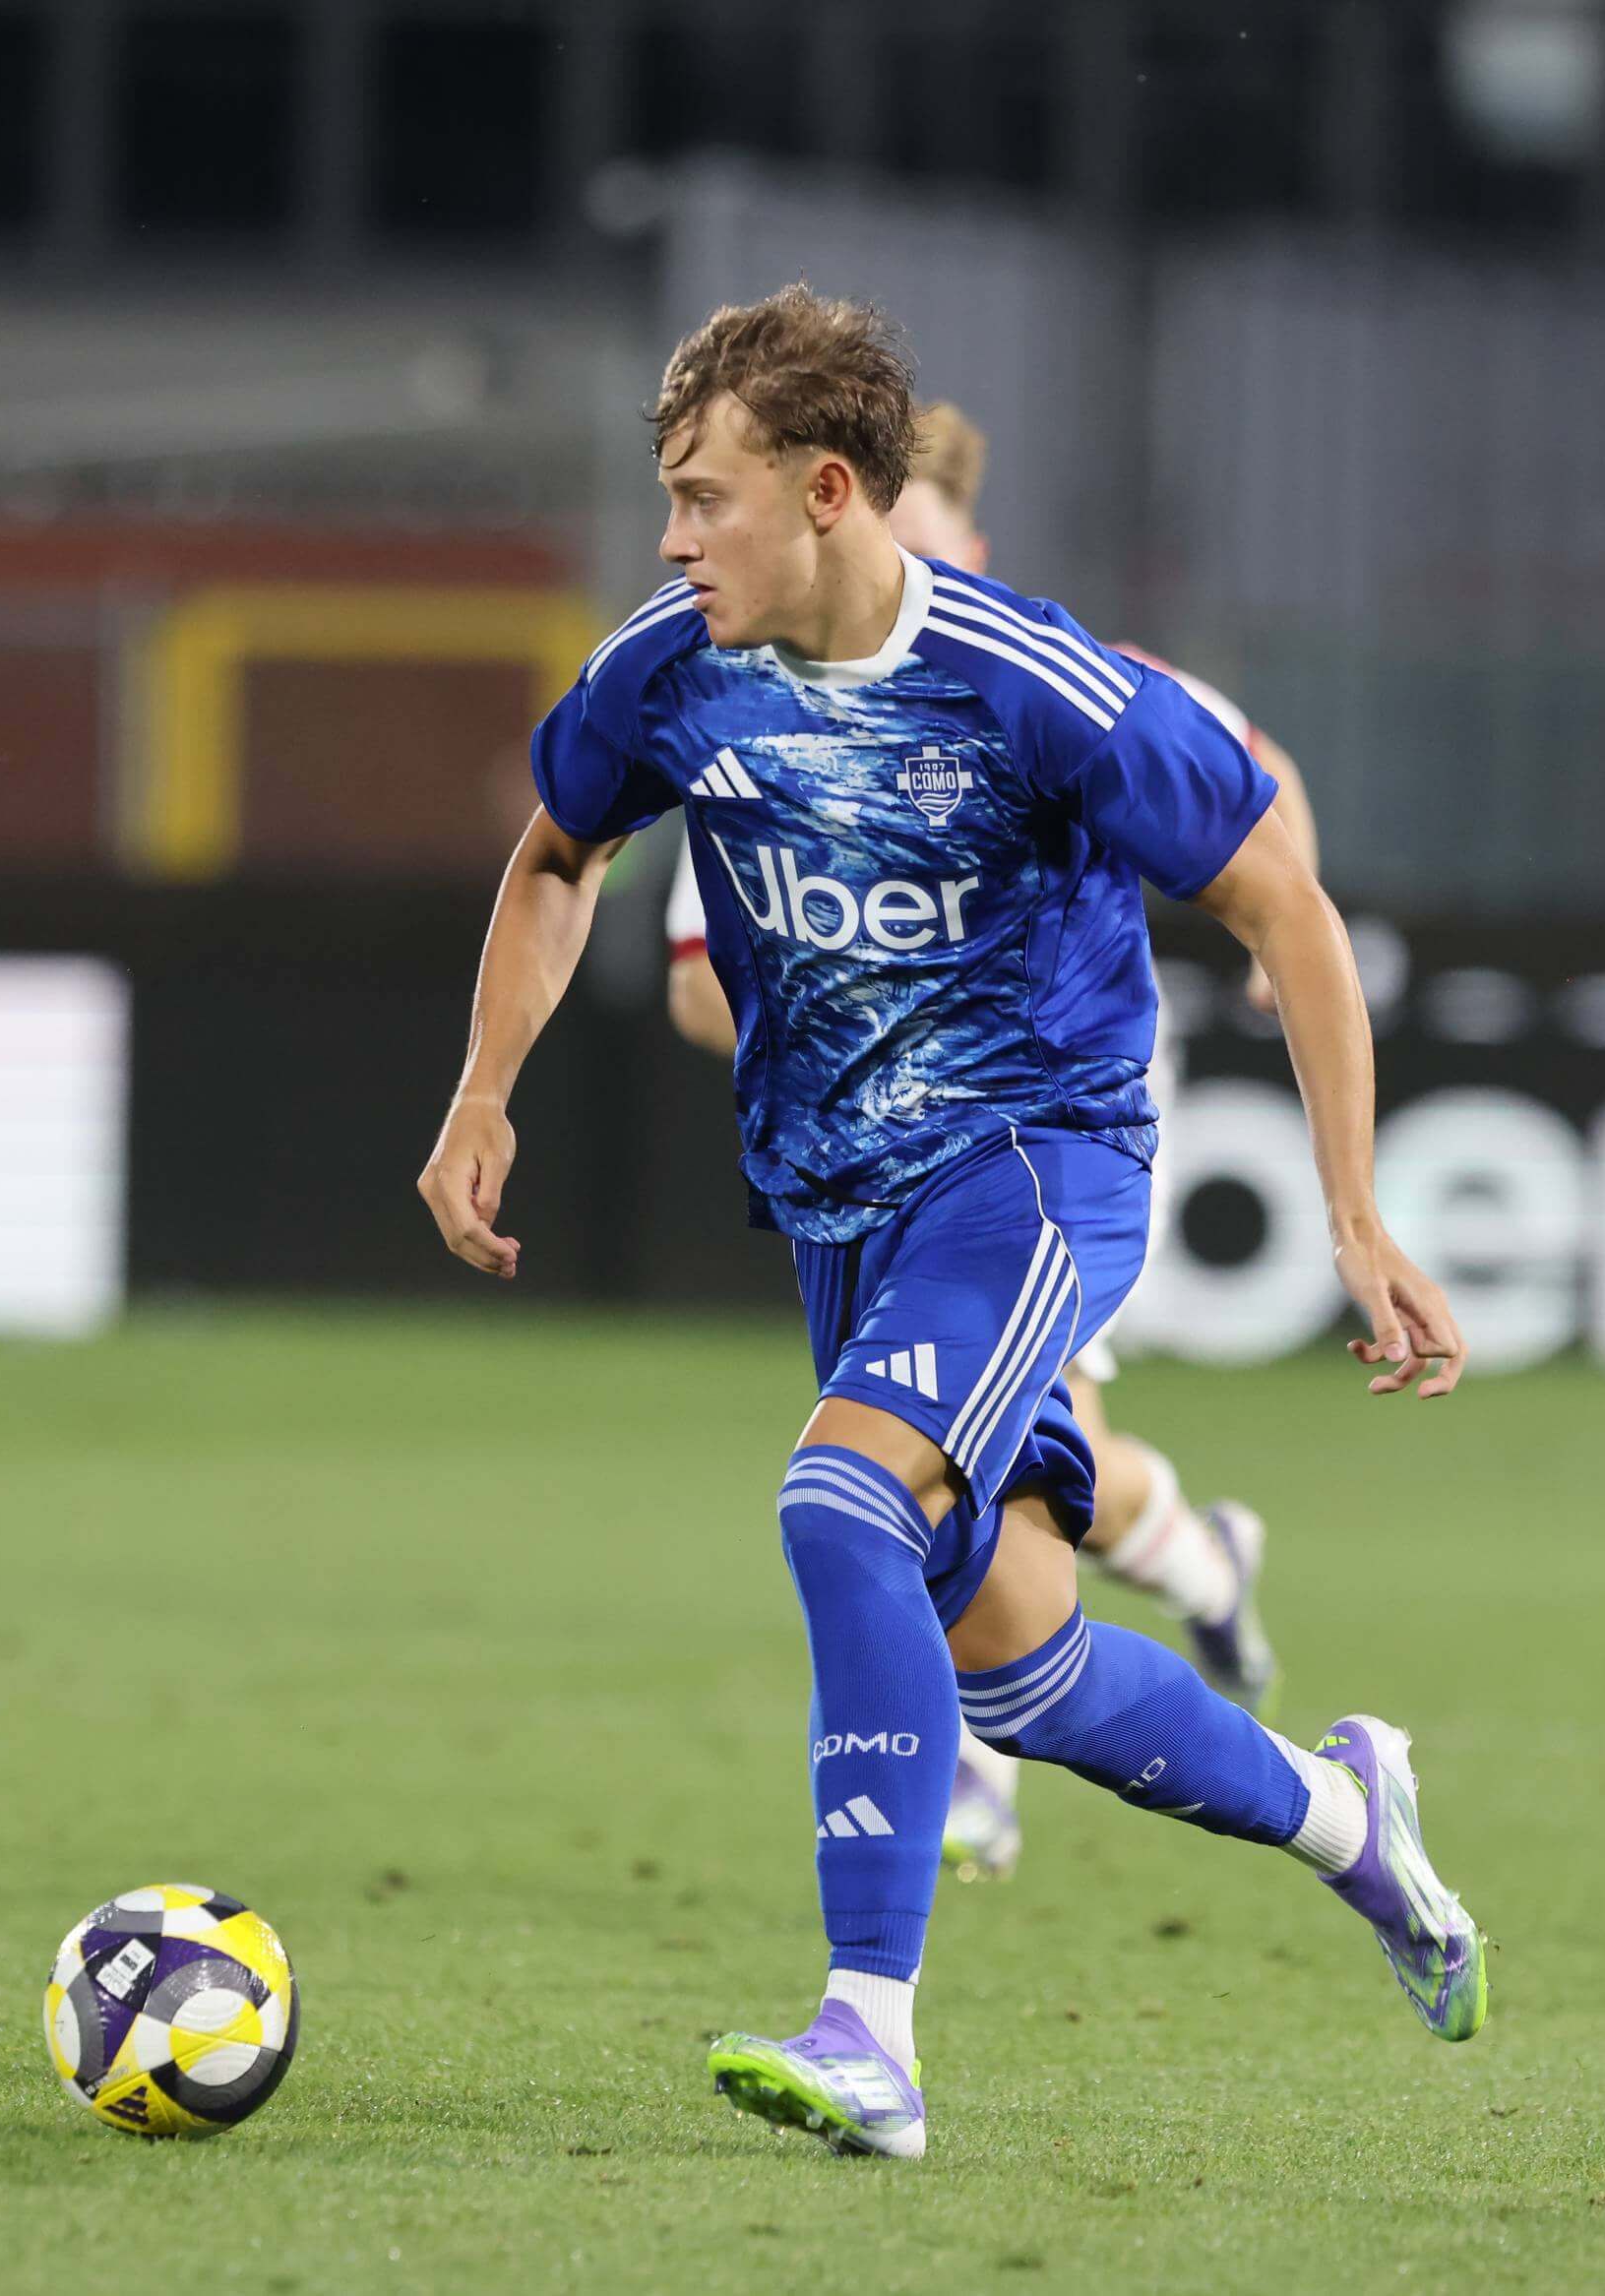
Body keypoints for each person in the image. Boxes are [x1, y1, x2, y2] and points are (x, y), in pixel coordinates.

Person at [418, 288, 1484, 2160]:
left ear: (829, 491)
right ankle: (1351, 1820)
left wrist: (1358, 1212)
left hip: (1030, 1172)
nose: (672, 538)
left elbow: (1289, 910)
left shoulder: (1035, 686)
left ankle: (871, 2031)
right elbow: (559, 855)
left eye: (702, 496)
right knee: (1022, 1657)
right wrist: (484, 1085)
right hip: (844, 1206)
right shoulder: (673, 667)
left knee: (839, 1501)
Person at [658, 401, 1320, 1885]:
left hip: (1043, 1147)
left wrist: (1284, 941)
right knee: (1019, 1494)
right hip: (869, 1172)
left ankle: (953, 1819)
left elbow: (1264, 795)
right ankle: (1210, 1569)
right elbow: (694, 975)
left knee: (901, 1484)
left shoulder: (1052, 667)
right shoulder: (755, 707)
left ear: (964, 539)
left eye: (941, 544)